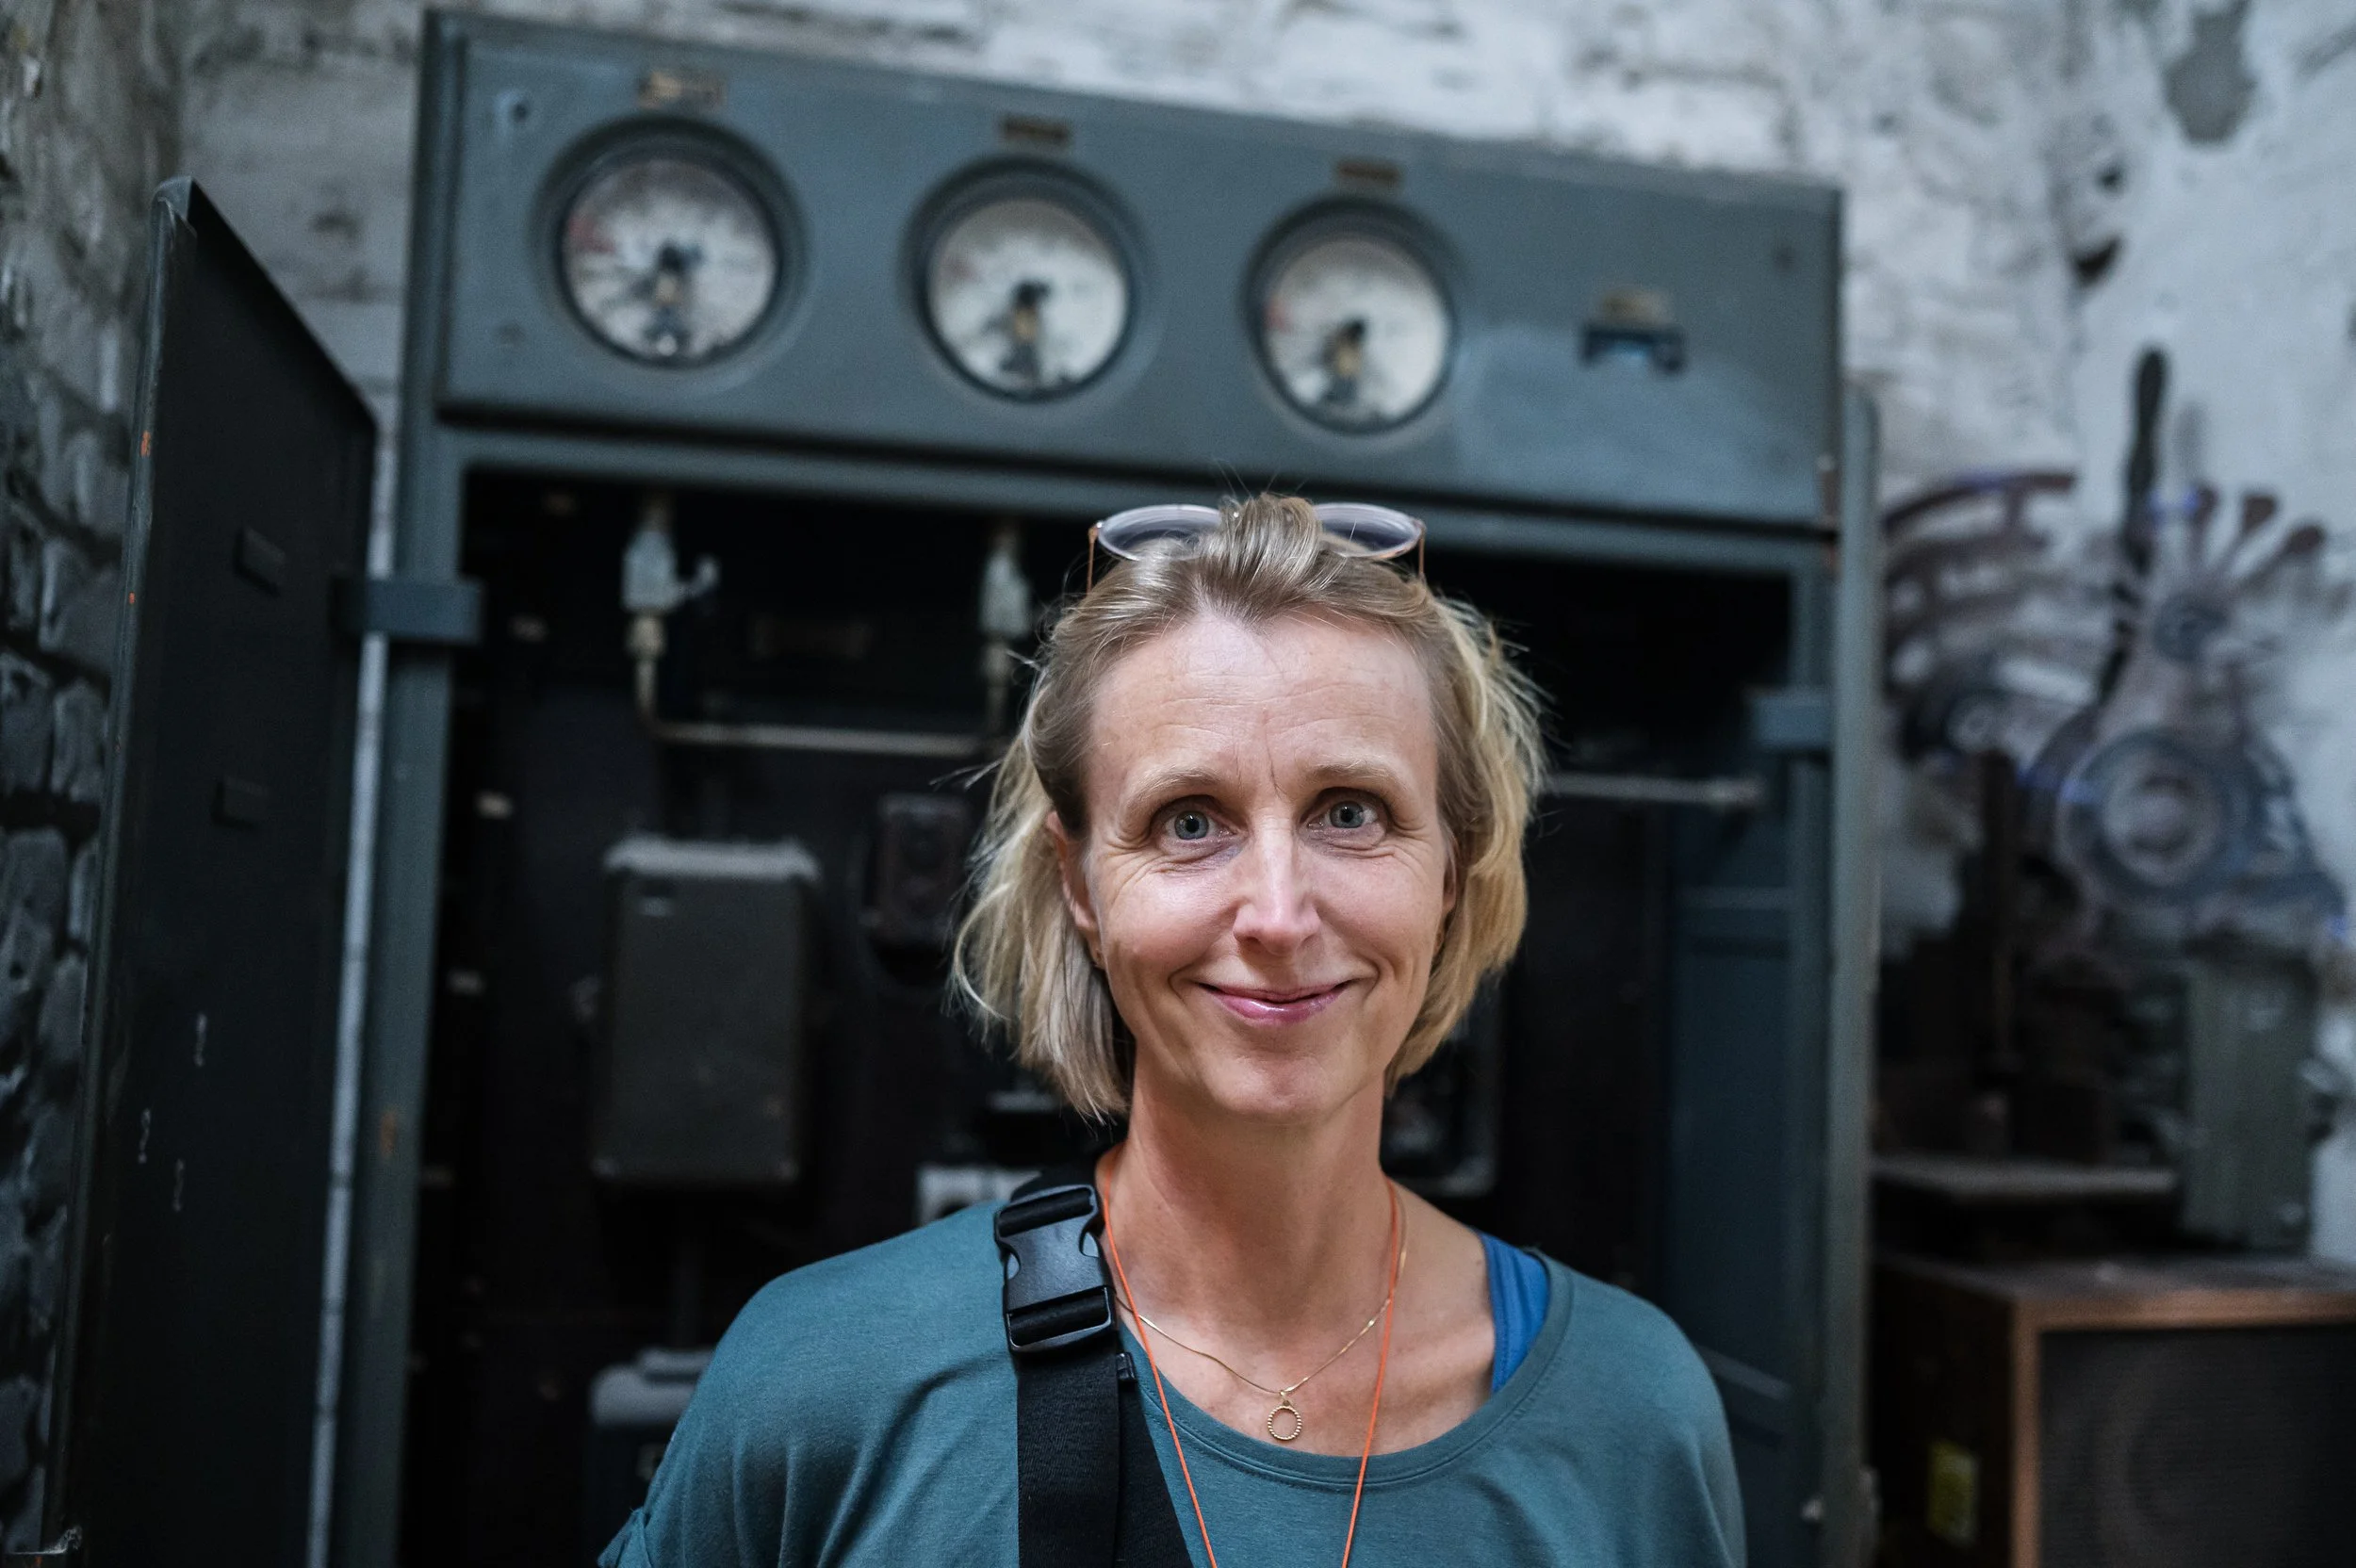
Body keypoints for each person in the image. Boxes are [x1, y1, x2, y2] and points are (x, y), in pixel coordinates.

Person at [601, 495, 1742, 1567]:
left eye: (1351, 811)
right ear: (1081, 885)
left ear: (1450, 869)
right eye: (1189, 821)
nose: (1278, 915)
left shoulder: (1632, 1411)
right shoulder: (825, 1383)